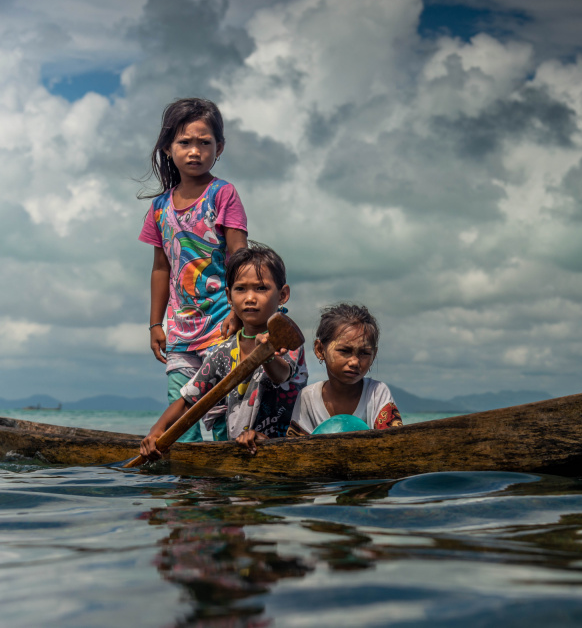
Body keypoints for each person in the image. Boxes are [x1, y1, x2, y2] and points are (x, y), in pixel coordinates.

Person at [138, 98, 248, 442]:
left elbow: (240, 257)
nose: (195, 151)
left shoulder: (222, 194)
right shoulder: (159, 208)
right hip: (180, 332)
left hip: (222, 323)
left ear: (220, 147)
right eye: (185, 142)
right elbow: (160, 268)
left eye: (205, 143)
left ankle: (219, 490)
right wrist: (157, 323)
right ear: (168, 148)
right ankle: (183, 491)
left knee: (219, 412)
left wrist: (238, 312)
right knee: (180, 413)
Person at [140, 243, 308, 461]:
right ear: (229, 296)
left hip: (284, 451)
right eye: (240, 289)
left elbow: (282, 374)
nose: (250, 298)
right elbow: (188, 399)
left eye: (261, 288)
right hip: (240, 455)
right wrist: (157, 430)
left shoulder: (285, 338)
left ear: (283, 294)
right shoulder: (224, 352)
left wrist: (267, 354)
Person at [287, 303, 403, 438]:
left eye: (364, 353)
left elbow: (394, 442)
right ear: (320, 350)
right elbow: (296, 449)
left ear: (374, 355)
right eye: (344, 351)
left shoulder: (376, 393)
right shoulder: (308, 398)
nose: (354, 362)